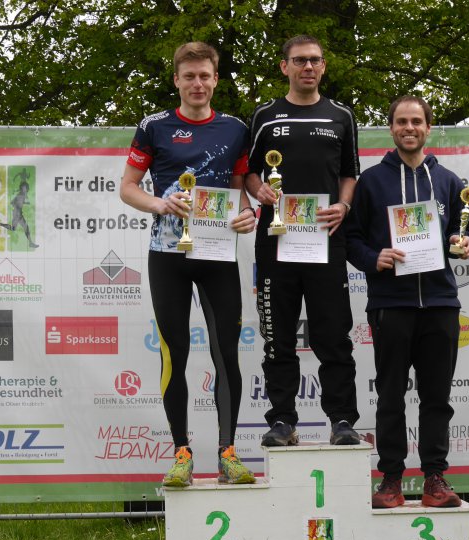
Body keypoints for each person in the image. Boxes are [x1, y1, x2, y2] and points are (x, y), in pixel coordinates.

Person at [119, 42, 257, 487]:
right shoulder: (154, 126)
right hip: (168, 255)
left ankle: (228, 453)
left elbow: (238, 187)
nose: (198, 84)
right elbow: (128, 187)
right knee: (173, 353)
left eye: (205, 76)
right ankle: (181, 452)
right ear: (176, 80)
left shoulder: (235, 129)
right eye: (189, 76)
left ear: (215, 80)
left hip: (216, 254)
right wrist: (160, 204)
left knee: (226, 354)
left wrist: (247, 214)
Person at [345, 95, 469, 508]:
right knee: (390, 396)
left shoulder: (449, 181)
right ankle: (391, 480)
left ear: (428, 128)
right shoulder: (371, 182)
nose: (409, 128)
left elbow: (465, 229)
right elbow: (351, 238)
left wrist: (463, 243)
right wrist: (373, 258)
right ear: (391, 128)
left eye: (416, 121)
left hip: (440, 303)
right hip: (391, 303)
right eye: (401, 121)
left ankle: (435, 478)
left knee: (437, 397)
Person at [246, 35, 360, 447]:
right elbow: (249, 171)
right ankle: (282, 421)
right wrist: (258, 190)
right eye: (299, 61)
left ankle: (342, 421)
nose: (307, 67)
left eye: (314, 60)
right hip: (276, 241)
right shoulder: (264, 115)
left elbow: (350, 173)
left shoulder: (341, 116)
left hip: (326, 240)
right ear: (285, 67)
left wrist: (344, 206)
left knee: (334, 336)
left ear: (324, 66)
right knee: (278, 337)